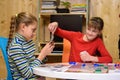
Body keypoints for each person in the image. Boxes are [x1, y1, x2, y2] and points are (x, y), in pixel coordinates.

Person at [7, 12, 55, 80]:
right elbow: (28, 74)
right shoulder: (16, 46)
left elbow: (34, 64)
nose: (34, 33)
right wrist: (41, 55)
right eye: (33, 30)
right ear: (23, 27)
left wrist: (45, 54)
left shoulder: (28, 42)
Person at [48, 17, 112, 63]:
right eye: (88, 29)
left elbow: (109, 59)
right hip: (72, 73)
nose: (90, 33)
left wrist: (91, 58)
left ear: (99, 32)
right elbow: (57, 31)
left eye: (94, 31)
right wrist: (54, 24)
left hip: (86, 73)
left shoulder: (98, 41)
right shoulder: (75, 36)